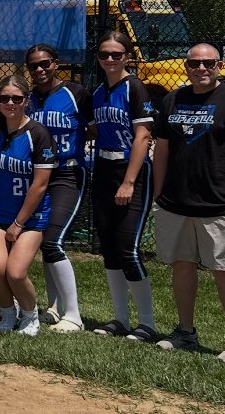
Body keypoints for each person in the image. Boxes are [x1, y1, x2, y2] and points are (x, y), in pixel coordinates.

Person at [152, 43, 225, 363]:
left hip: (220, 203)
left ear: (219, 66)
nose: (201, 68)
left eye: (208, 63)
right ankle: (185, 332)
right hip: (176, 201)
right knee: (182, 265)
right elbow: (162, 149)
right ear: (186, 66)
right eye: (194, 63)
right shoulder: (173, 99)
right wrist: (158, 194)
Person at [90, 31, 157, 341]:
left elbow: (143, 136)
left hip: (131, 171)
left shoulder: (135, 87)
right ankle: (120, 319)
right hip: (104, 169)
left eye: (117, 54)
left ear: (127, 57)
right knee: (109, 249)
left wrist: (129, 182)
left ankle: (148, 323)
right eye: (104, 54)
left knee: (128, 248)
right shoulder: (99, 91)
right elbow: (96, 130)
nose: (110, 59)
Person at [0, 75, 55, 336]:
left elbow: (40, 184)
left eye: (16, 98)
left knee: (16, 272)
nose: (10, 103)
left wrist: (18, 223)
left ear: (26, 100)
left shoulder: (38, 134)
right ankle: (8, 313)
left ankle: (30, 315)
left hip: (30, 216)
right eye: (4, 98)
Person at [25, 44, 92, 333]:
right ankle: (53, 307)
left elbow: (93, 128)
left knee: (53, 239)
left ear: (55, 63)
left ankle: (73, 314)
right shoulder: (28, 99)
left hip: (67, 172)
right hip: (38, 175)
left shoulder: (76, 93)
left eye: (45, 63)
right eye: (34, 65)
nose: (40, 69)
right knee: (44, 240)